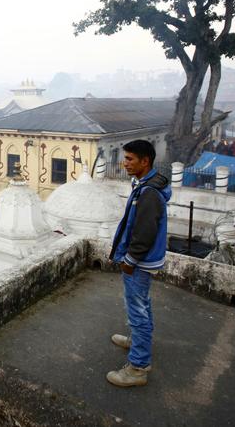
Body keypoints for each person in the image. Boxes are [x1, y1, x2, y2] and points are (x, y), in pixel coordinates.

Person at [107, 140, 171, 387]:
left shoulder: (149, 193)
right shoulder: (146, 185)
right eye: (125, 158)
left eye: (130, 159)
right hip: (144, 260)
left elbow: (144, 232)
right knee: (142, 304)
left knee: (137, 310)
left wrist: (130, 260)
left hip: (140, 262)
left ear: (145, 161)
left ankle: (138, 367)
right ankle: (137, 341)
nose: (125, 163)